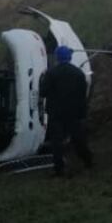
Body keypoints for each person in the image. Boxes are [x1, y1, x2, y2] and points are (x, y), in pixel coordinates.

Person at [40, 45, 94, 177]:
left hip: (56, 113)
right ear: (69, 57)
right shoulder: (78, 73)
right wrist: (82, 113)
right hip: (74, 113)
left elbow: (43, 92)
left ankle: (59, 169)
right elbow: (83, 96)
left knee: (56, 143)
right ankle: (88, 161)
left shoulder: (51, 73)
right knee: (78, 139)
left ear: (57, 57)